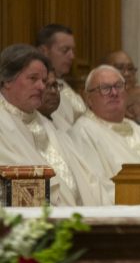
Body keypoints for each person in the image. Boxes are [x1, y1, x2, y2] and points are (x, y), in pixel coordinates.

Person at [0, 44, 97, 206]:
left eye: (44, 81)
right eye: (33, 78)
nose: (41, 86)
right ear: (6, 81)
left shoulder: (48, 124)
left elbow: (87, 177)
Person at [71, 65, 140, 205]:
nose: (114, 92)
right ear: (89, 98)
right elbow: (95, 188)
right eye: (105, 88)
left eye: (118, 86)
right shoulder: (83, 132)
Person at [36, 23, 86, 126]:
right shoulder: (38, 90)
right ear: (43, 51)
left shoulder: (66, 86)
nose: (72, 56)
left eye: (73, 50)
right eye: (65, 50)